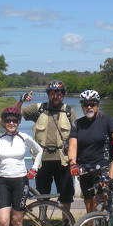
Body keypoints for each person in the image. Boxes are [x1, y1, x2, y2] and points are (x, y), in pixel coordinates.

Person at [17, 80, 77, 214]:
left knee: (66, 194)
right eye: (52, 93)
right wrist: (21, 100)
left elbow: (76, 136)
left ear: (63, 95)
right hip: (41, 161)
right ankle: (43, 220)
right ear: (48, 94)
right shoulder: (39, 109)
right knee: (42, 193)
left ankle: (66, 221)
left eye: (59, 93)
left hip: (63, 160)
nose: (55, 96)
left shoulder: (69, 111)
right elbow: (13, 115)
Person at [68, 89, 113, 213]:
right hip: (84, 168)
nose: (89, 107)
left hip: (104, 167)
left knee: (104, 197)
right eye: (85, 104)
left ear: (98, 105)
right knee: (89, 203)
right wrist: (72, 164)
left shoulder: (107, 121)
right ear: (82, 106)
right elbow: (72, 146)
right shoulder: (77, 124)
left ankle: (110, 225)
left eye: (92, 104)